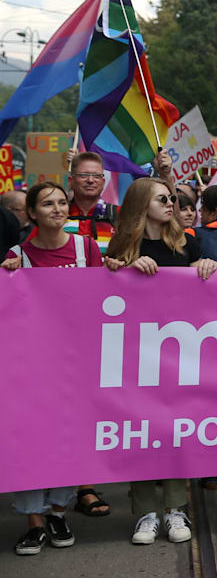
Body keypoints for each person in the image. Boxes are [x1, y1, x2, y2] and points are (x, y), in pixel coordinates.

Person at [103, 177, 217, 545]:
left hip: (179, 351)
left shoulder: (186, 242)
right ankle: (145, 513)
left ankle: (175, 509)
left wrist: (206, 265)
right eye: (162, 199)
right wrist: (124, 267)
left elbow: (202, 286)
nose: (171, 204)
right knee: (139, 432)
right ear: (141, 205)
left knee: (174, 431)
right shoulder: (123, 245)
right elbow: (104, 283)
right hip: (136, 354)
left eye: (172, 198)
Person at [4, 182, 105, 556]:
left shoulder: (86, 248)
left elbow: (105, 298)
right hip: (30, 368)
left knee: (69, 440)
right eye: (48, 204)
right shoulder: (17, 256)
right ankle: (34, 522)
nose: (58, 208)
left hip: (76, 366)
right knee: (29, 442)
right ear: (32, 213)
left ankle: (58, 512)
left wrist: (115, 270)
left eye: (62, 202)